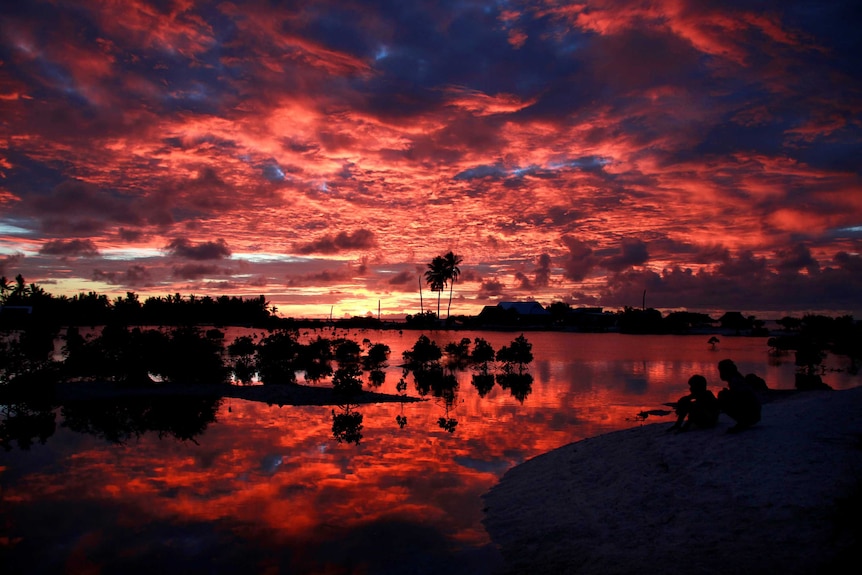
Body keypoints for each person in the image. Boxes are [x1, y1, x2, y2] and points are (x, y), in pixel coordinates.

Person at [716, 359, 762, 433]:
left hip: (751, 414)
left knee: (722, 397)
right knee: (723, 395)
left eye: (721, 371)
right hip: (753, 413)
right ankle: (743, 422)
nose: (720, 374)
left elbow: (743, 399)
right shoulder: (736, 380)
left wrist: (728, 395)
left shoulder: (736, 381)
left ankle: (743, 422)